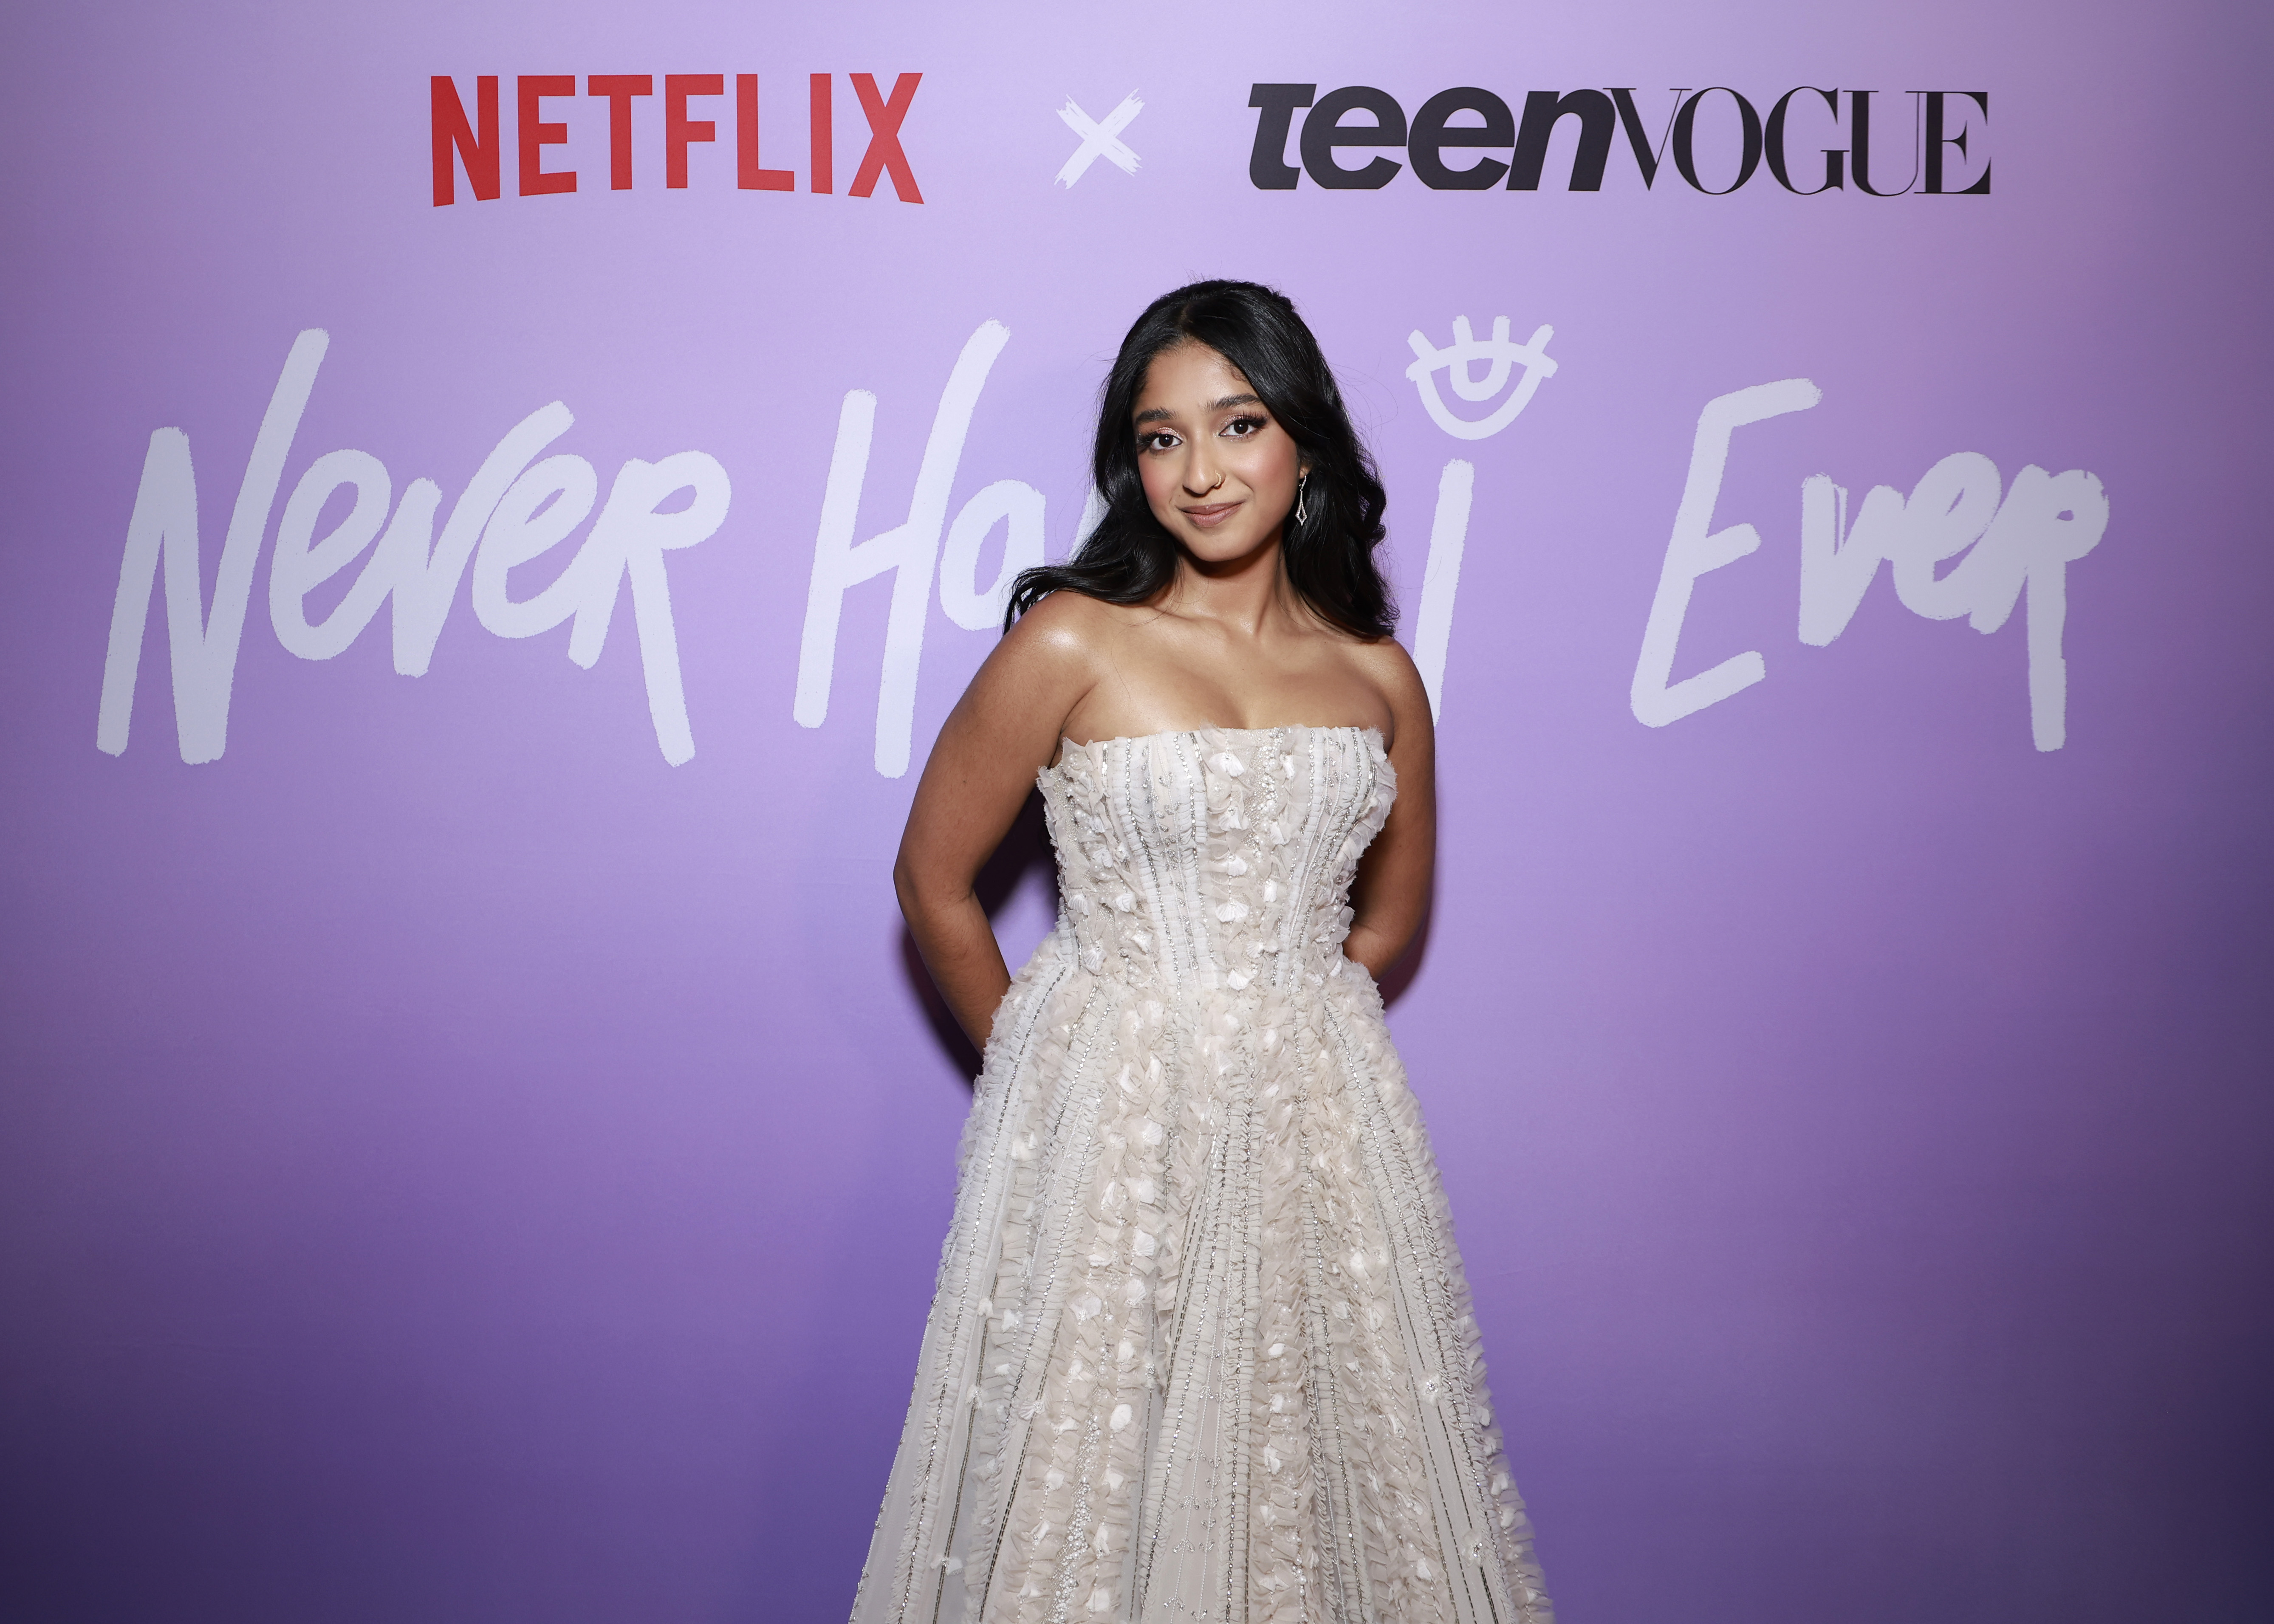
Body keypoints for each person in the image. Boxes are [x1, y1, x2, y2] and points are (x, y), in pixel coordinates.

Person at [852, 281, 1551, 1624]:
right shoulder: (1068, 638)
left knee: (1306, 1454)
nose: (1199, 468)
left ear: (1302, 445)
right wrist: (1054, 1071)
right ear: (1132, 462)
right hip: (1108, 1126)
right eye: (1161, 437)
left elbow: (1389, 921)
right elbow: (931, 882)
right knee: (1090, 1465)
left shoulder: (1376, 672)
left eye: (1236, 424)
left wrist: (1285, 1023)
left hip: (1313, 1121)